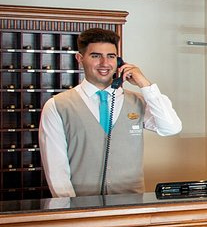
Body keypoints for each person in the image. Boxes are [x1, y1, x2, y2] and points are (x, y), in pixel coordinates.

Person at [39, 28, 182, 197]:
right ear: (80, 59)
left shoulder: (138, 101)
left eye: (111, 56)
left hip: (132, 205)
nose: (104, 63)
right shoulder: (57, 106)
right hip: (82, 205)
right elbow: (56, 169)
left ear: (119, 61)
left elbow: (171, 127)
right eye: (96, 56)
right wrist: (71, 208)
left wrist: (145, 84)